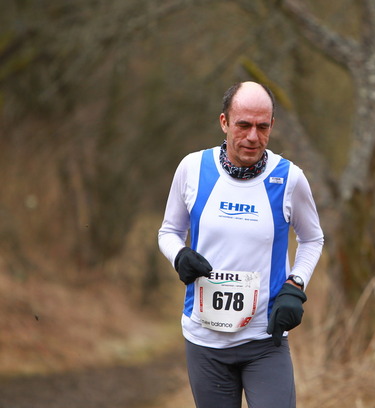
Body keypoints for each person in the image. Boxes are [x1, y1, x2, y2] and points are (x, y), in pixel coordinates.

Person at [158, 81, 324, 408]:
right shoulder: (193, 168)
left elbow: (312, 238)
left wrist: (296, 284)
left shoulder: (289, 178)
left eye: (262, 127)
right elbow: (169, 231)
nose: (252, 137)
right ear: (224, 122)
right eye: (243, 125)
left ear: (272, 125)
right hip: (205, 339)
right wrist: (180, 256)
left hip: (265, 338)